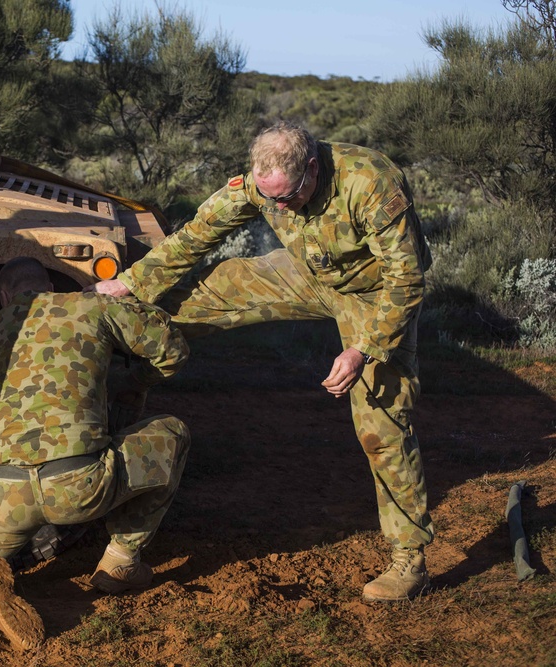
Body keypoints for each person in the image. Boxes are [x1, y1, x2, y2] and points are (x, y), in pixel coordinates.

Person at [91, 121, 435, 603]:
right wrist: (131, 283)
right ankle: (106, 400)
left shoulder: (370, 182)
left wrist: (364, 349)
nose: (276, 207)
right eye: (267, 197)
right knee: (180, 298)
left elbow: (406, 279)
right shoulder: (263, 184)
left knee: (381, 422)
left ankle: (408, 560)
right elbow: (197, 234)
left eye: (287, 198)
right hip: (309, 272)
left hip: (373, 295)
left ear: (312, 168)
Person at [0, 257, 191, 650]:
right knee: (173, 433)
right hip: (82, 484)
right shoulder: (91, 306)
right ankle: (121, 560)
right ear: (50, 287)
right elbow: (172, 349)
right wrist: (134, 381)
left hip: (7, 494)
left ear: (5, 296)